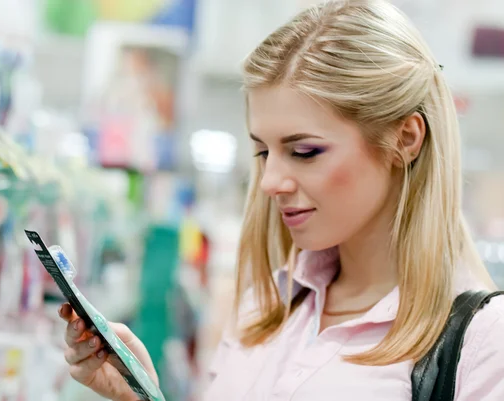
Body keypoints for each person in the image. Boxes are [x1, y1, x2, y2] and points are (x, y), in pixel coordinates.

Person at [58, 0, 504, 399]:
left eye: (305, 152)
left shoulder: (482, 341)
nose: (270, 181)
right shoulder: (267, 307)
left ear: (405, 139)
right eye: (262, 151)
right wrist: (140, 393)